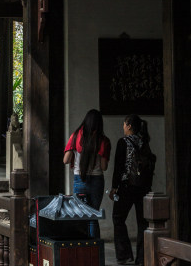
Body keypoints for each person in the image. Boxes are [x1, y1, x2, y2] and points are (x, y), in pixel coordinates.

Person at [110, 114, 155, 265]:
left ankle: (124, 255)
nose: (123, 127)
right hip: (143, 188)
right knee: (143, 223)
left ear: (129, 126)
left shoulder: (123, 142)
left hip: (126, 186)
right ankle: (142, 258)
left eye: (124, 124)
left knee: (118, 218)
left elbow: (118, 167)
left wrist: (114, 187)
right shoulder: (144, 141)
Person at [64, 109, 111, 238]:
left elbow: (65, 160)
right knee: (92, 216)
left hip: (79, 180)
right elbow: (104, 167)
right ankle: (94, 250)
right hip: (97, 181)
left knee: (80, 216)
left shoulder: (75, 136)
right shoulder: (104, 141)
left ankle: (82, 250)